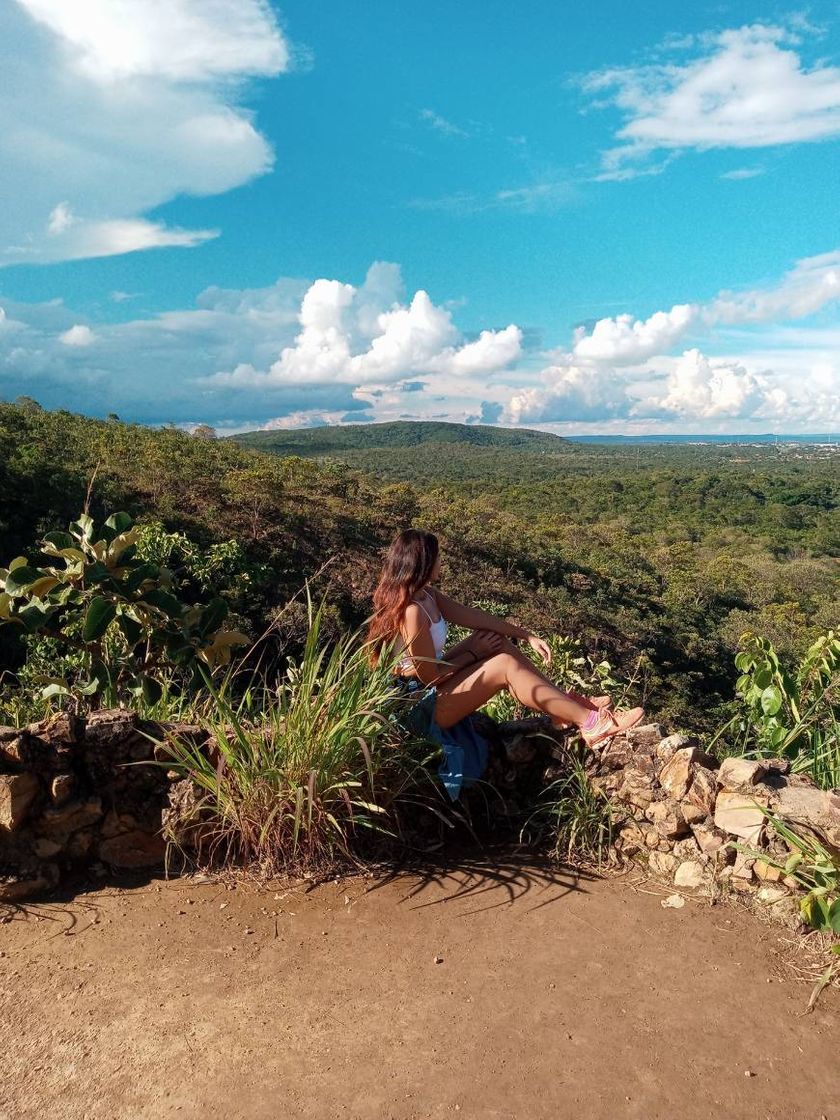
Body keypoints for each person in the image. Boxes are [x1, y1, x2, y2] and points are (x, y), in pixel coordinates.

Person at [367, 529, 644, 755]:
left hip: (432, 687)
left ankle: (562, 706)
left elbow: (475, 618)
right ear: (424, 562)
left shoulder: (427, 595)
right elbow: (428, 677)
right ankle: (592, 724)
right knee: (502, 665)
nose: (441, 562)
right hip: (417, 709)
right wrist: (474, 653)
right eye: (438, 557)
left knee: (493, 640)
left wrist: (525, 635)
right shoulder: (412, 611)